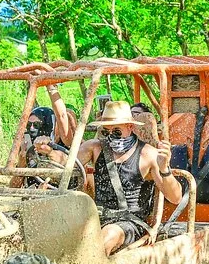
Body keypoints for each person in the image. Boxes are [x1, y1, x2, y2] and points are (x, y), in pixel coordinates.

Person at [34, 100, 182, 255]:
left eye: (116, 131)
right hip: (96, 216)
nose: (111, 137)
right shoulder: (94, 147)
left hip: (130, 222)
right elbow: (67, 163)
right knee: (57, 229)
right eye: (106, 132)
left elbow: (175, 197)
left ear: (130, 127)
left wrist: (164, 169)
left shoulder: (148, 154)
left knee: (108, 236)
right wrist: (49, 151)